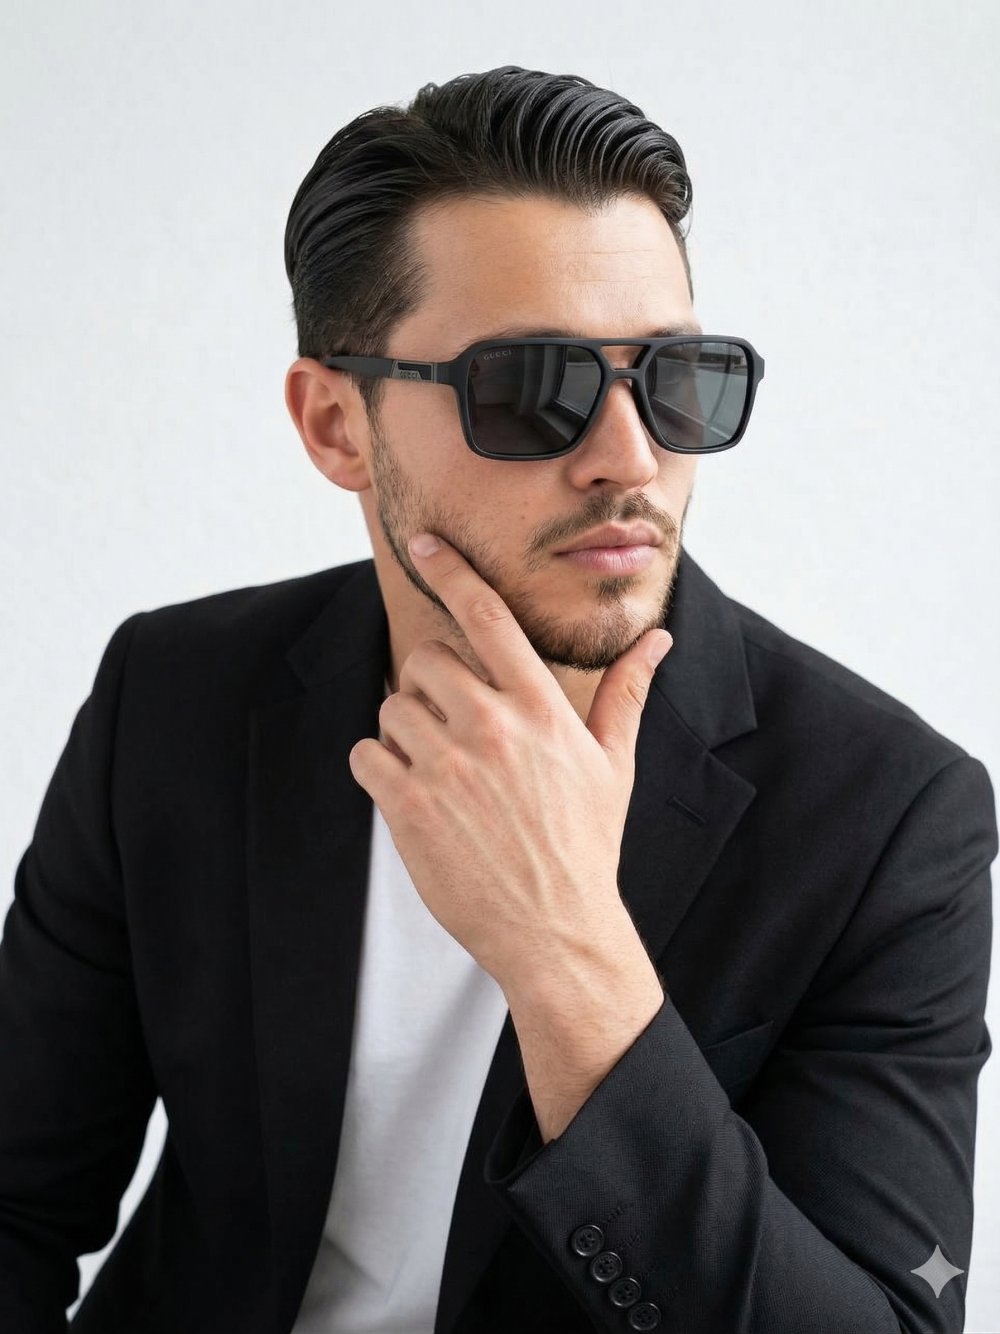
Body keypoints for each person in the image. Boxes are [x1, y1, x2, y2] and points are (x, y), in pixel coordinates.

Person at [0, 64, 994, 1334]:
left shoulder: (886, 817)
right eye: (531, 387)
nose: (631, 458)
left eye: (678, 377)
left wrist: (569, 954)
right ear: (336, 424)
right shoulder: (177, 696)